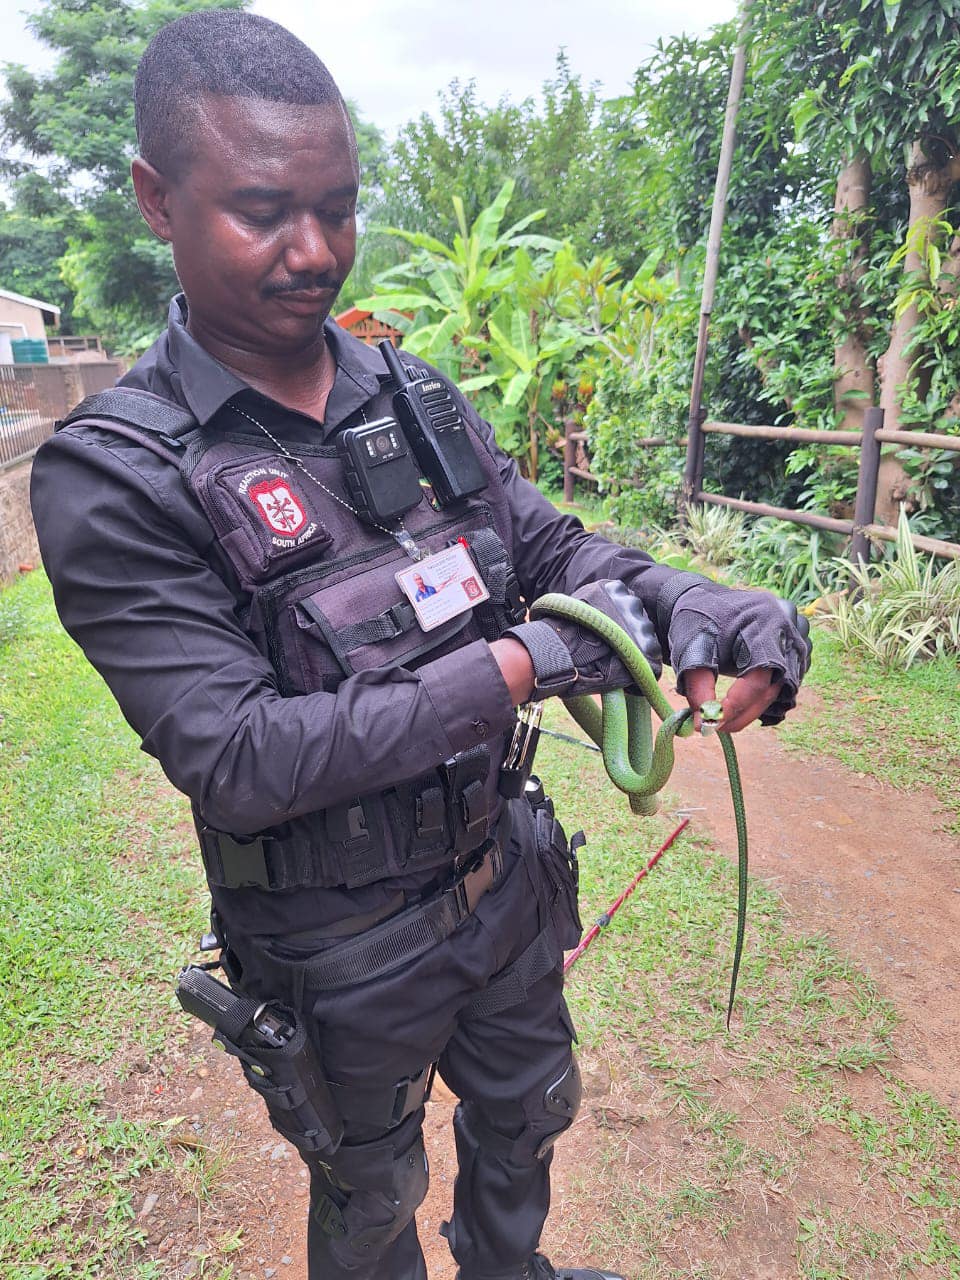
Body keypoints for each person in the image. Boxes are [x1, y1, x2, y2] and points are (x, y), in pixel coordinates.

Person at [30, 12, 811, 1280]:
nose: (314, 252)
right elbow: (236, 755)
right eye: (265, 211)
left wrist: (703, 607)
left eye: (339, 209)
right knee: (373, 1194)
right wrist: (526, 664)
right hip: (339, 953)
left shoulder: (417, 394)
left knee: (526, 1118)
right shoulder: (117, 476)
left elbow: (553, 557)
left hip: (501, 876)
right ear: (156, 199)